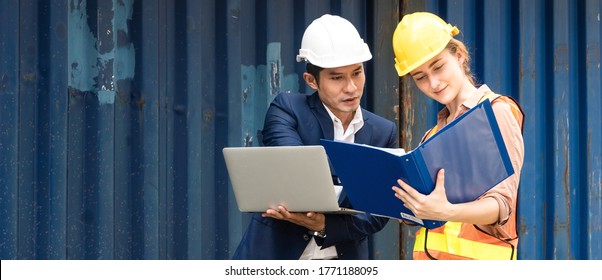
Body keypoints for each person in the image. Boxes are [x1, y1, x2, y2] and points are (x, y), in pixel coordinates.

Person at [232, 14, 398, 260]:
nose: (351, 87)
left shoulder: (384, 132)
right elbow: (295, 171)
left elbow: (377, 215)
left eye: (357, 73)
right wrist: (358, 186)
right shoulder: (288, 109)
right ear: (311, 81)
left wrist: (325, 225)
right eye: (336, 77)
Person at [390, 12, 525, 260]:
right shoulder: (433, 134)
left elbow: (501, 206)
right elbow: (430, 212)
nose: (433, 83)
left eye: (438, 67)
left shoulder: (496, 113)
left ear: (459, 55)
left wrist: (445, 211)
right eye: (420, 77)